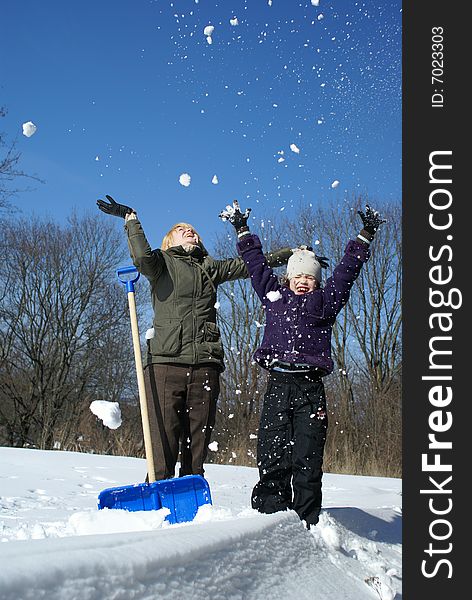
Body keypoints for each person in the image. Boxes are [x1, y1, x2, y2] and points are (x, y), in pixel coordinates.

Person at [96, 194, 293, 482]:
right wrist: (131, 218)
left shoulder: (209, 268)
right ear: (169, 241)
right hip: (166, 362)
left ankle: (192, 497)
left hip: (205, 364)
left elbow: (250, 266)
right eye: (181, 228)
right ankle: (159, 494)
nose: (190, 230)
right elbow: (140, 257)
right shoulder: (160, 262)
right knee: (162, 439)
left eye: (194, 230)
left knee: (197, 440)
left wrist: (291, 254)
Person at [220, 200, 386, 528]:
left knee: (307, 460)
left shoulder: (325, 303)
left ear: (315, 281)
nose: (302, 280)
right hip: (278, 385)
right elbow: (255, 265)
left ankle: (307, 522)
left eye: (309, 277)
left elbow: (346, 273)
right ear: (288, 277)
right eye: (296, 275)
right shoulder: (274, 297)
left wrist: (365, 236)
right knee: (272, 454)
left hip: (310, 388)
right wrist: (242, 230)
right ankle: (270, 519)